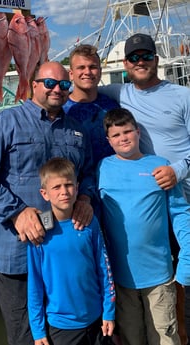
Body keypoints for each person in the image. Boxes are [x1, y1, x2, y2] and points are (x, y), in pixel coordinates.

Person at [0, 61, 95, 345]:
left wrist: (85, 197)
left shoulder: (77, 131)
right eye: (49, 83)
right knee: (25, 337)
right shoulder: (4, 123)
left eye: (64, 85)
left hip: (64, 253)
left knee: (65, 334)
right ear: (34, 85)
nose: (57, 89)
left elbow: (89, 173)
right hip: (17, 255)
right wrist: (16, 212)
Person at [99, 33, 190, 345]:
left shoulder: (183, 95)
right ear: (125, 64)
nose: (140, 62)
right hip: (148, 197)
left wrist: (178, 171)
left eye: (146, 56)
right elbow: (84, 86)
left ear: (157, 59)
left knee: (172, 310)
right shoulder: (118, 92)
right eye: (134, 57)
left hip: (178, 189)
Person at [28, 157, 115, 345]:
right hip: (61, 327)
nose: (63, 192)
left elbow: (104, 269)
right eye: (56, 187)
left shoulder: (89, 222)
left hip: (96, 319)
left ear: (77, 187)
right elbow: (34, 285)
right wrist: (38, 330)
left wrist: (109, 311)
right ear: (44, 194)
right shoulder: (39, 231)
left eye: (68, 185)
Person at [63, 44, 120, 167]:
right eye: (81, 67)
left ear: (100, 71)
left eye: (93, 67)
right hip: (74, 182)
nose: (87, 72)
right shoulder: (60, 109)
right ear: (71, 74)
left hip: (108, 179)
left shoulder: (112, 107)